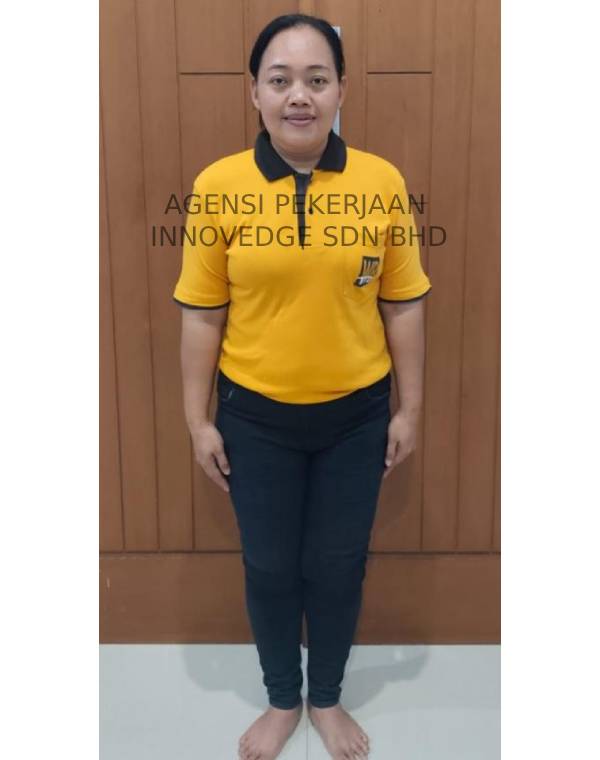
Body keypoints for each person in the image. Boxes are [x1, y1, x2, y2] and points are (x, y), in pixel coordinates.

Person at [172, 13, 432, 760]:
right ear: (254, 91)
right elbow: (202, 314)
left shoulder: (381, 182)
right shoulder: (218, 186)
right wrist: (198, 421)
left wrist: (410, 409)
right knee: (270, 565)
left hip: (357, 417)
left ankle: (327, 697)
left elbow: (403, 302)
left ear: (341, 90)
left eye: (317, 80)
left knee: (338, 566)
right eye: (280, 79)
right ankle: (284, 697)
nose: (299, 96)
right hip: (254, 419)